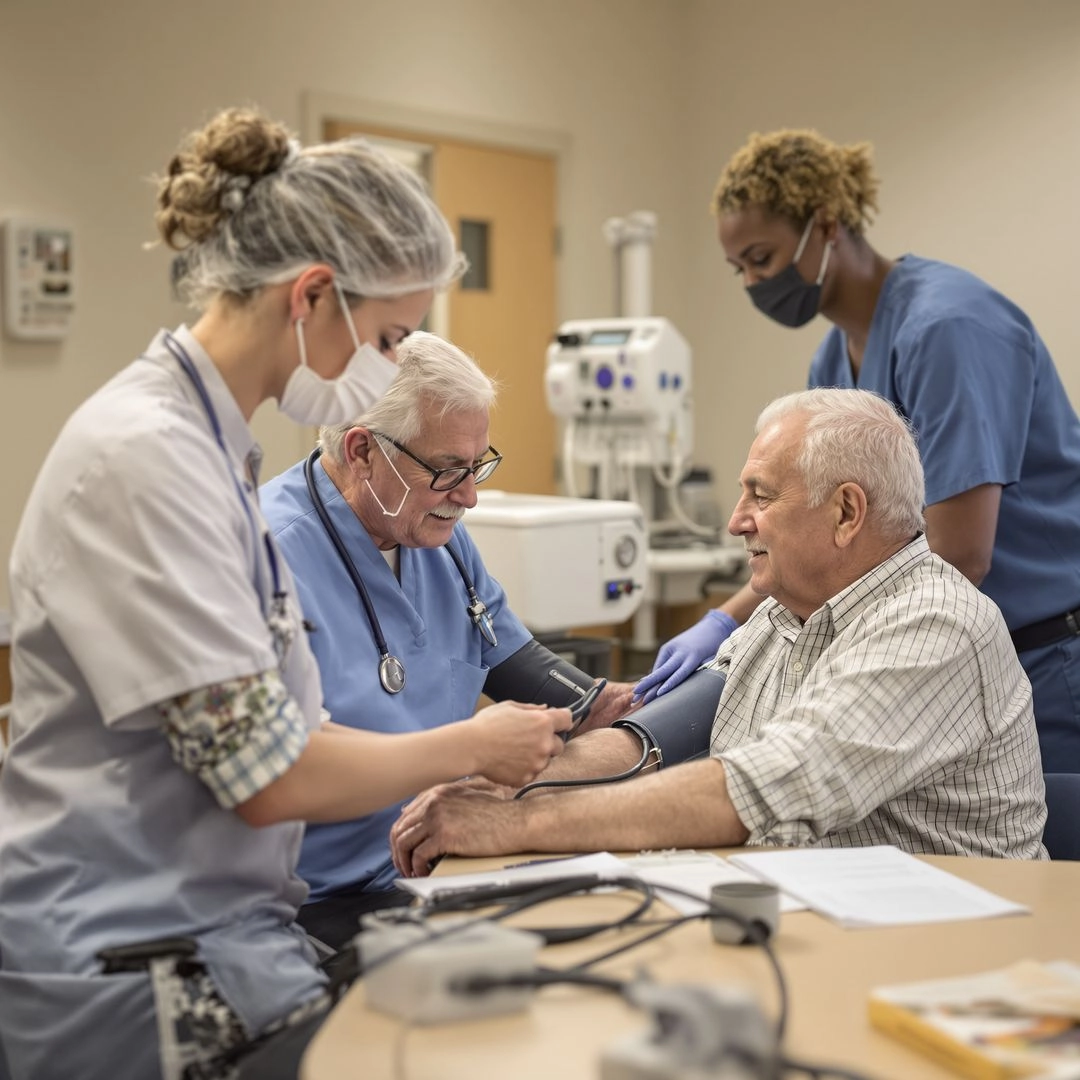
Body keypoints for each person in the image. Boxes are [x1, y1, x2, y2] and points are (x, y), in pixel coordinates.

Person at [0, 108, 570, 1080]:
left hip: (224, 939)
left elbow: (280, 725)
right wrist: (470, 746)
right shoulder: (148, 462)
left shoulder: (211, 451)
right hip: (132, 963)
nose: (388, 365)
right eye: (390, 334)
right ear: (312, 296)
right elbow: (266, 778)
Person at [390, 389, 1048, 874]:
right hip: (819, 909)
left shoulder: (933, 624)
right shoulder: (791, 607)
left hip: (946, 945)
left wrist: (519, 821)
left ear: (847, 512)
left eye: (761, 496)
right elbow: (656, 737)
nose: (736, 521)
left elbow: (760, 786)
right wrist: (522, 782)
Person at [633, 129, 1080, 775]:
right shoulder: (835, 357)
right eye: (742, 270)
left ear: (827, 224)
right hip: (951, 649)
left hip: (1042, 652)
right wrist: (723, 623)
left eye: (763, 257)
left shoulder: (949, 328)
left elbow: (959, 556)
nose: (755, 281)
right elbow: (819, 541)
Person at [260, 330, 624, 950]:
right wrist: (471, 749)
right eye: (448, 471)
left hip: (436, 867)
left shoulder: (437, 539)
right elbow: (282, 763)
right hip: (314, 902)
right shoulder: (268, 555)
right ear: (362, 451)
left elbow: (518, 662)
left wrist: (614, 703)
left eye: (478, 465)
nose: (469, 496)